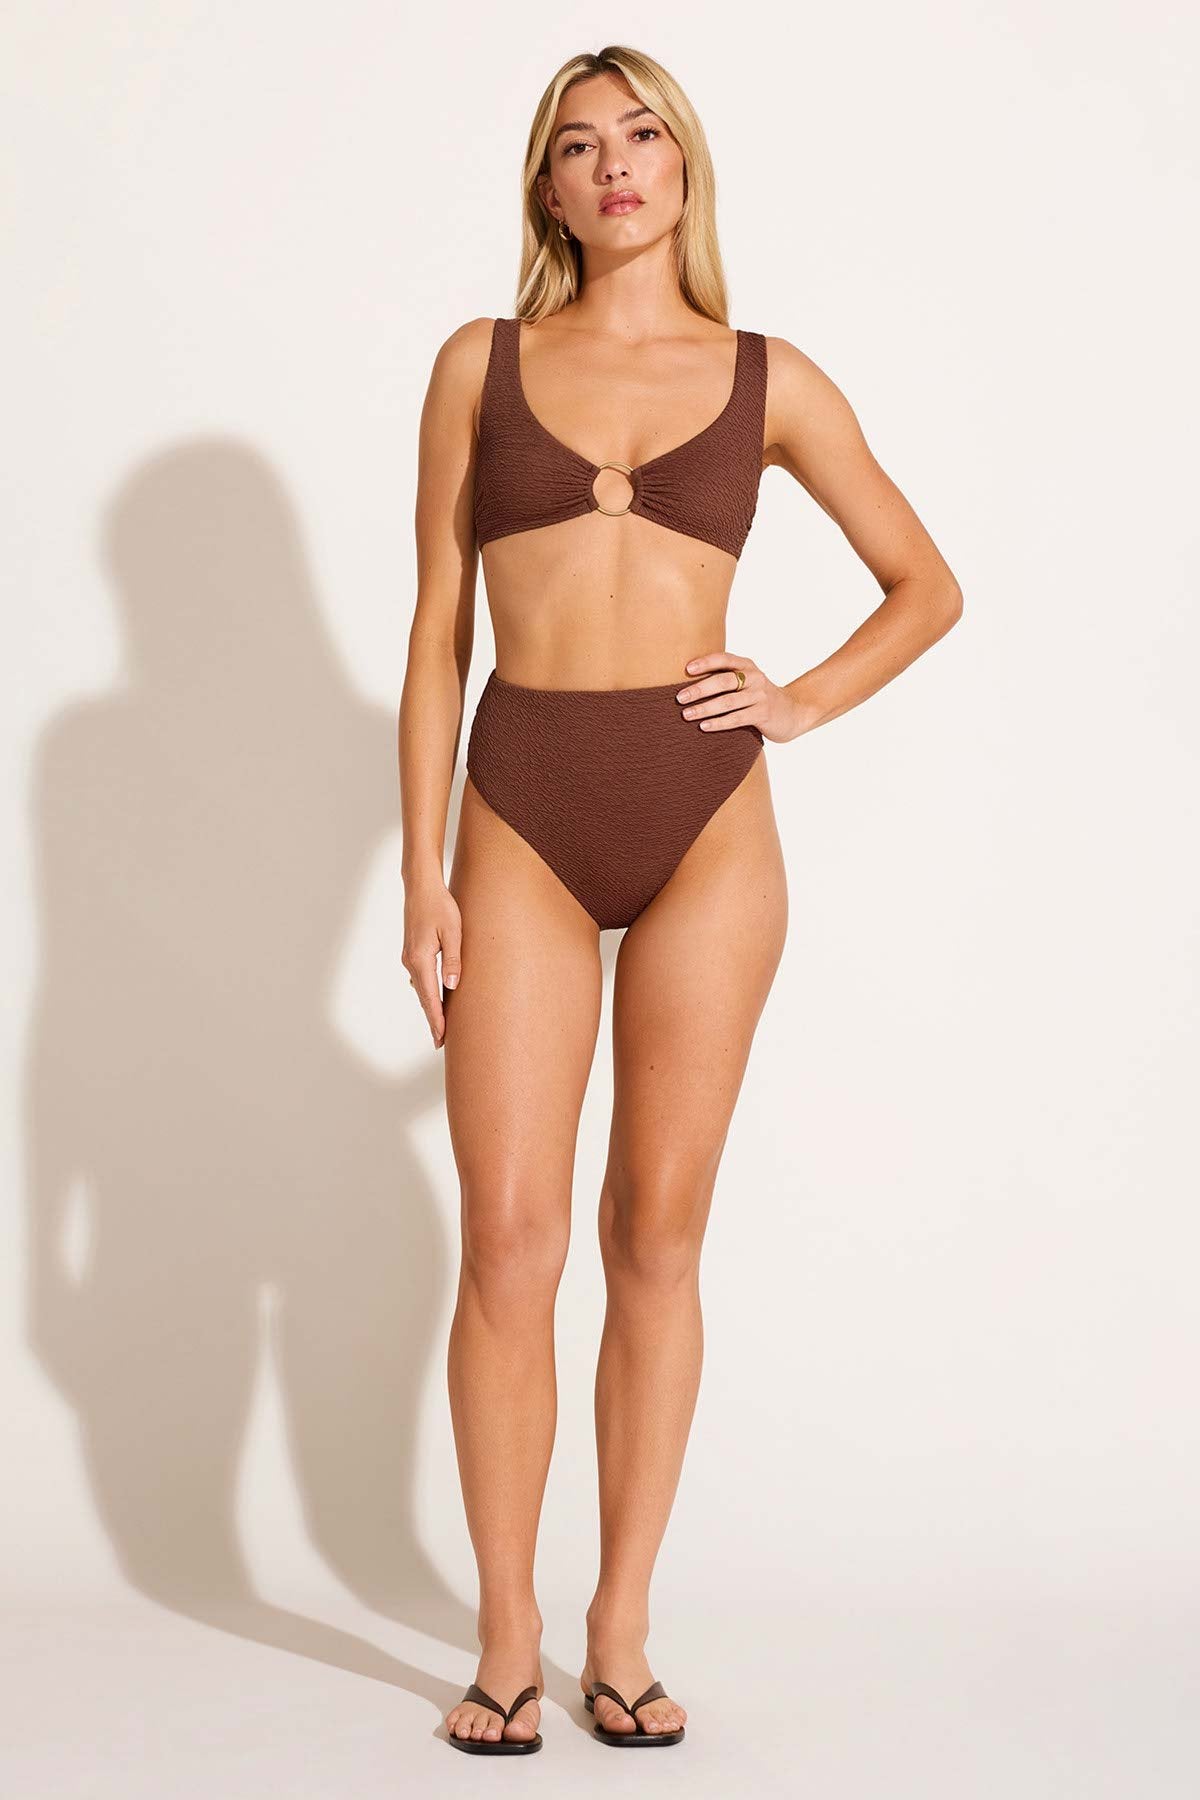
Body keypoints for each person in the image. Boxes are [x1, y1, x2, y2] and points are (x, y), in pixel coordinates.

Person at [397, 44, 962, 1756]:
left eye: (642, 134)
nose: (616, 164)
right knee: (509, 1235)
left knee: (656, 1229)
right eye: (580, 146)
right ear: (548, 189)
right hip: (519, 809)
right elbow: (436, 633)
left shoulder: (769, 378)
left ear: (686, 167)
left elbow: (925, 584)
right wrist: (419, 868)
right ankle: (506, 1638)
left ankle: (620, 1627)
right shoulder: (479, 364)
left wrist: (798, 699)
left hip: (708, 820)